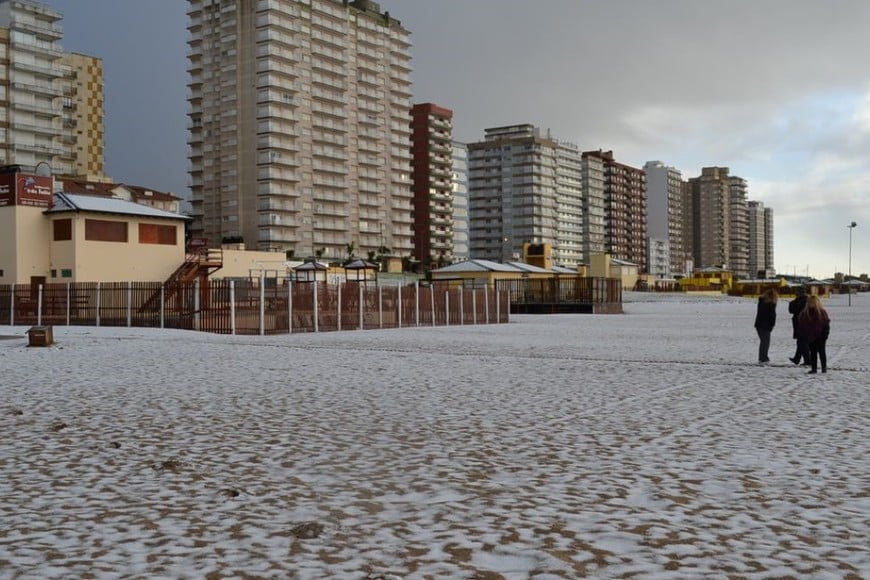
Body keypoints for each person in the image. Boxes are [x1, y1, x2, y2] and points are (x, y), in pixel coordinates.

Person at [797, 294, 831, 374]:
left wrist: (825, 335)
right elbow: (801, 325)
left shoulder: (822, 312)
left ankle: (824, 368)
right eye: (809, 302)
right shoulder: (804, 313)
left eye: (812, 302)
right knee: (813, 353)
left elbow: (826, 324)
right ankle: (814, 368)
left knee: (822, 352)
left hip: (821, 336)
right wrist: (803, 334)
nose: (810, 304)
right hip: (810, 336)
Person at [754, 288, 778, 364]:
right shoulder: (771, 304)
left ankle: (762, 357)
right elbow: (772, 316)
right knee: (765, 342)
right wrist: (772, 325)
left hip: (759, 324)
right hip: (766, 325)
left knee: (763, 342)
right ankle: (763, 357)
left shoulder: (761, 302)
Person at [788, 286, 809, 365]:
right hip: (801, 323)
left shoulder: (802, 301)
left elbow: (793, 310)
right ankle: (797, 358)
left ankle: (807, 360)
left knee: (802, 342)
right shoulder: (802, 300)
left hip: (801, 323)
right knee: (801, 342)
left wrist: (792, 303)